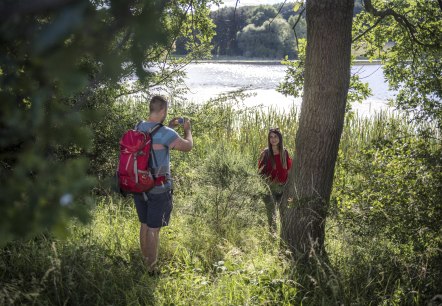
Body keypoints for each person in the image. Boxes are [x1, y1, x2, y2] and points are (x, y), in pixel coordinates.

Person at [133, 95, 193, 275]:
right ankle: (151, 270)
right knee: (154, 229)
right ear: (162, 111)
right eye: (165, 111)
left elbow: (153, 140)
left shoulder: (138, 127)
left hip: (139, 183)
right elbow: (188, 146)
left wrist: (170, 127)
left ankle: (145, 262)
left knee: (144, 224)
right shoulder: (167, 134)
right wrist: (187, 130)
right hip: (158, 188)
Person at [258, 128, 292, 231]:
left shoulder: (284, 152)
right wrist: (265, 186)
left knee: (284, 213)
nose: (273, 139)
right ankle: (272, 238)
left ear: (280, 138)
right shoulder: (266, 153)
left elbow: (289, 170)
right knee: (272, 215)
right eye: (271, 137)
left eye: (275, 136)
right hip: (270, 188)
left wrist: (288, 186)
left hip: (283, 187)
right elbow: (259, 172)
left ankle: (284, 237)